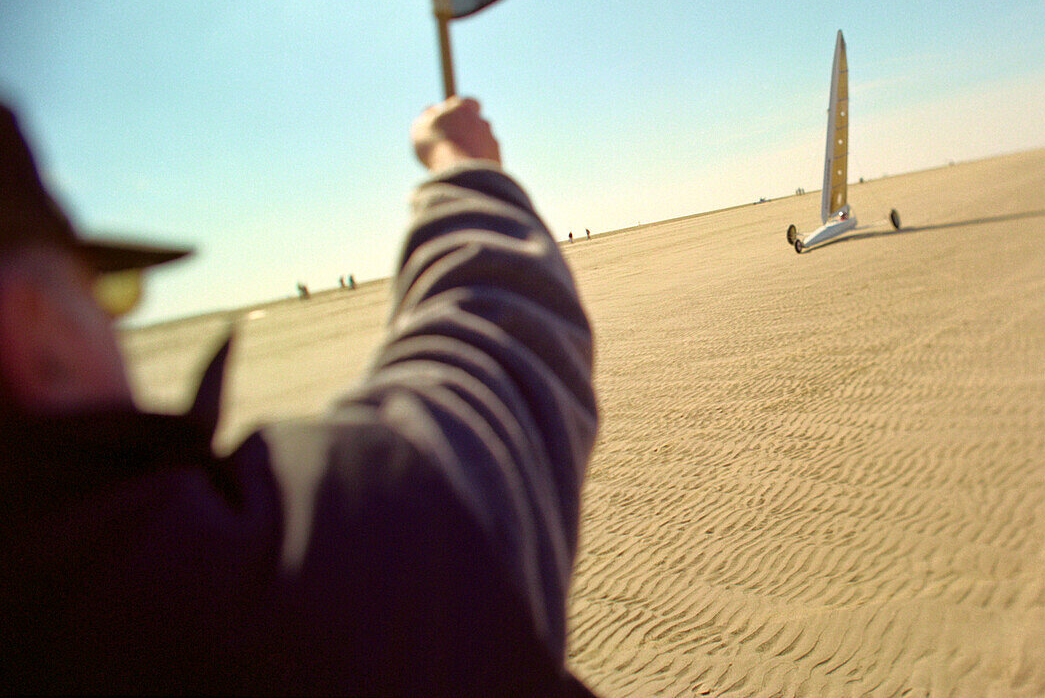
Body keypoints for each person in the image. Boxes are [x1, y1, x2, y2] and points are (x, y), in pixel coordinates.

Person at [0, 97, 598, 696]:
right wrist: (463, 163)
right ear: (35, 327)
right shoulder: (175, 587)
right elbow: (495, 351)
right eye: (109, 294)